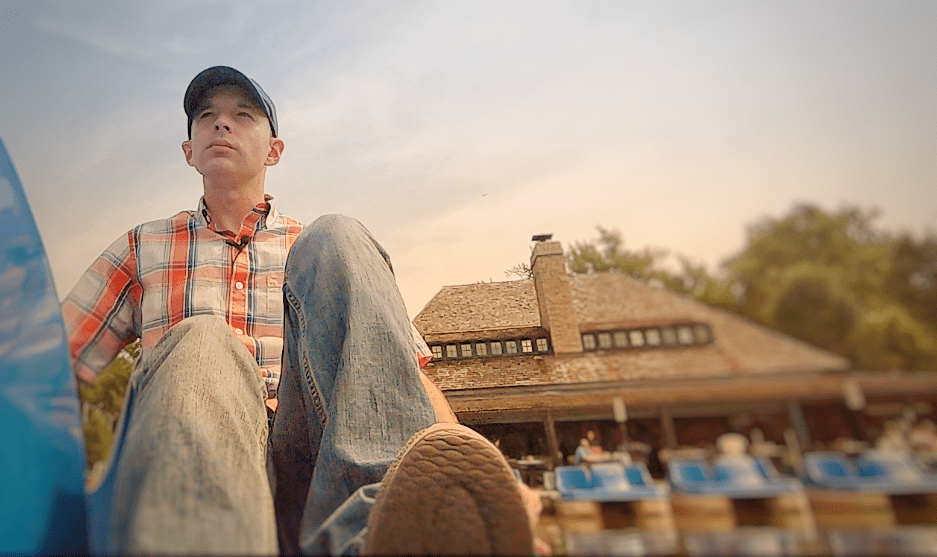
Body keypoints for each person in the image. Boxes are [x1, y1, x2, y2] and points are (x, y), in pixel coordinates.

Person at [63, 66, 538, 555]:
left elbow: (400, 375)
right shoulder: (142, 246)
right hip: (189, 461)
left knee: (339, 233)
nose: (221, 125)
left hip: (313, 468)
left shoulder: (319, 258)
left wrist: (473, 479)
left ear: (274, 150)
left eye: (242, 115)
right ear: (189, 152)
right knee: (204, 340)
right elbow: (52, 370)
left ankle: (379, 531)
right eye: (206, 117)